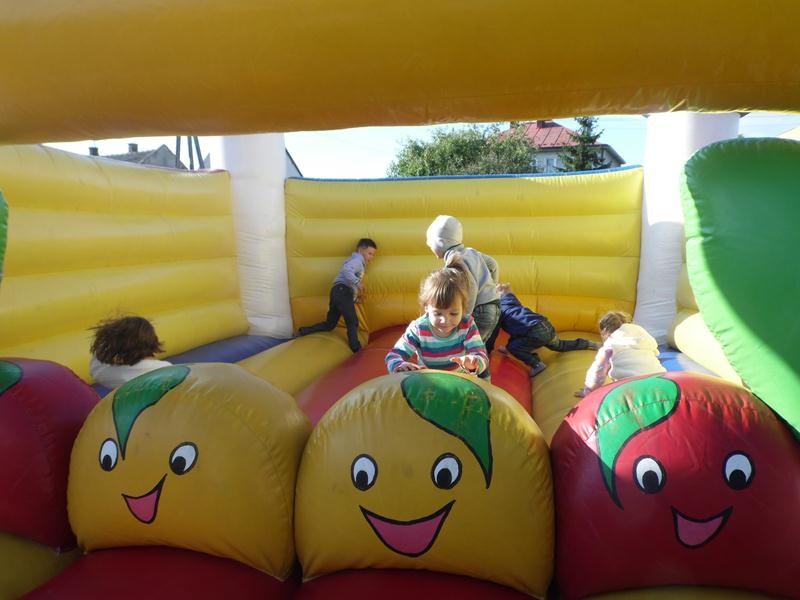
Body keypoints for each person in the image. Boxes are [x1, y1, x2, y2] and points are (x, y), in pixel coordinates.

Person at [385, 263, 489, 378]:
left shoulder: (467, 325)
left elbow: (481, 355)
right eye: (438, 313)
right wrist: (399, 366)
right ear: (426, 307)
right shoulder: (419, 328)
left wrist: (474, 363)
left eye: (454, 313)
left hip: (459, 379)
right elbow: (394, 355)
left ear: (463, 308)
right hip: (430, 380)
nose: (445, 320)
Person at [425, 215, 501, 352]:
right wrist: (492, 289)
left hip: (479, 311)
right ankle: (479, 366)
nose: (429, 246)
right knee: (476, 349)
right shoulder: (471, 252)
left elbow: (471, 289)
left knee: (464, 350)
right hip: (493, 307)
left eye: (430, 242)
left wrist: (463, 318)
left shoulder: (454, 263)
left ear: (440, 243)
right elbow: (493, 264)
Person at [496, 282, 600, 377]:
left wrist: (497, 348)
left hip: (534, 332)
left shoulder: (499, 312)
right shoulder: (510, 303)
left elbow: (497, 332)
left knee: (514, 348)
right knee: (560, 345)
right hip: (545, 325)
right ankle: (589, 344)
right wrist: (506, 348)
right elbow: (518, 330)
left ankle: (536, 364)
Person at [298, 238, 377, 353]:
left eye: (373, 255)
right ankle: (356, 349)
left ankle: (304, 331)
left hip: (337, 292)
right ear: (360, 250)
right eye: (370, 253)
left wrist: (355, 299)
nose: (371, 257)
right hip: (342, 291)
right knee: (352, 320)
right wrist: (358, 282)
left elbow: (349, 284)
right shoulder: (358, 260)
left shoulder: (356, 261)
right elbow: (346, 270)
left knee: (330, 324)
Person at [575, 310, 666, 397]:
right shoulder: (645, 340)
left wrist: (589, 391)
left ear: (605, 333)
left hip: (633, 389)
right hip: (662, 382)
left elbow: (598, 373)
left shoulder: (611, 345)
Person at [89, 316, 172, 388]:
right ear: (153, 340)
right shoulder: (167, 369)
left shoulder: (112, 375)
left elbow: (97, 368)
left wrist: (106, 338)